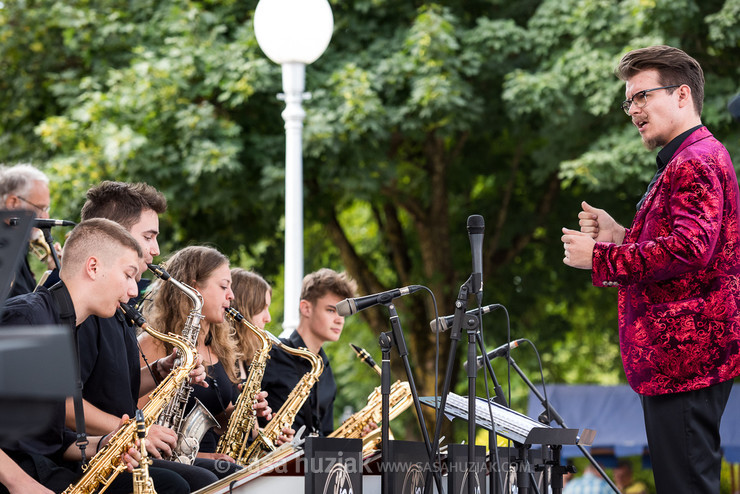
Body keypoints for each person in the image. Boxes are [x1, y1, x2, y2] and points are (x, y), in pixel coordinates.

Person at [562, 45, 740, 493]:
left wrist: (599, 257)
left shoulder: (695, 160)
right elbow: (689, 249)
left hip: (685, 362)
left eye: (643, 96)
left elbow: (690, 248)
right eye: (629, 101)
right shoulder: (687, 159)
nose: (633, 110)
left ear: (682, 95)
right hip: (680, 363)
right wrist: (618, 234)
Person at [0, 218, 188, 493]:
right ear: (93, 267)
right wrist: (21, 484)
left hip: (49, 468)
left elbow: (49, 437)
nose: (134, 290)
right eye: (128, 275)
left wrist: (106, 442)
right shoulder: (29, 318)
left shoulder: (67, 325)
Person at [68, 181, 227, 490]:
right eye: (148, 237)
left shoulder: (114, 306)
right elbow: (61, 405)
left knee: (214, 477)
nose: (155, 250)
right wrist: (134, 432)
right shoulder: (83, 308)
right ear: (115, 235)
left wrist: (161, 370)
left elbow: (111, 384)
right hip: (89, 454)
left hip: (119, 447)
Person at [138, 246, 242, 466]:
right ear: (194, 289)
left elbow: (222, 426)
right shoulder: (154, 344)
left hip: (210, 459)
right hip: (165, 461)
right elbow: (140, 424)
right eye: (224, 286)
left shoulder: (218, 348)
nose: (231, 296)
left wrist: (245, 413)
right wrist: (205, 458)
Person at [259, 268, 357, 436]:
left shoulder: (326, 369)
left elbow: (326, 435)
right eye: (331, 310)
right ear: (306, 308)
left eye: (343, 313)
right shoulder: (272, 355)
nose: (340, 320)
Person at [228, 268, 293, 445]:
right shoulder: (223, 359)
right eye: (262, 308)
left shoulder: (244, 361)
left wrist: (274, 437)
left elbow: (252, 434)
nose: (268, 318)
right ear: (243, 309)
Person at [0, 163, 57, 298]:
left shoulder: (15, 242)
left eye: (46, 209)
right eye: (40, 208)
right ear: (13, 203)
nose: (45, 217)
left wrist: (52, 274)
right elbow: (17, 312)